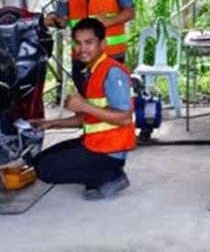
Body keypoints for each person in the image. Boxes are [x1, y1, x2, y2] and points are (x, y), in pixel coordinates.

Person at [32, 18, 136, 201]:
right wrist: (51, 123)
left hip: (109, 151)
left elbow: (125, 118)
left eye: (89, 42)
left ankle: (111, 176)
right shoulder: (92, 71)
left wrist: (84, 105)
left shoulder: (112, 73)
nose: (82, 49)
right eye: (78, 43)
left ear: (102, 44)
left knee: (45, 170)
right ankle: (100, 173)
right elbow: (87, 117)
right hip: (94, 143)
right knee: (39, 160)